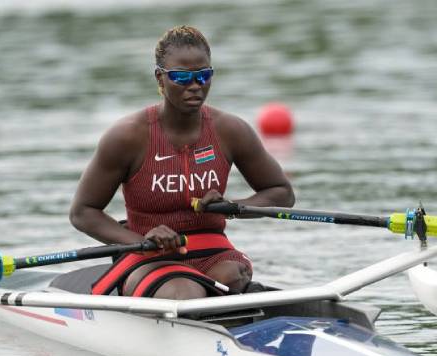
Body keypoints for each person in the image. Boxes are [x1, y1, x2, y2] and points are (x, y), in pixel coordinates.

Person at [70, 25, 294, 299]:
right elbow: (83, 212)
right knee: (186, 294)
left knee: (231, 277)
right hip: (149, 255)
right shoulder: (128, 136)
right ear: (160, 78)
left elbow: (282, 192)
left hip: (212, 248)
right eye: (181, 77)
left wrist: (233, 208)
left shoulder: (230, 130)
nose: (195, 87)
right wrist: (141, 241)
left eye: (203, 76)